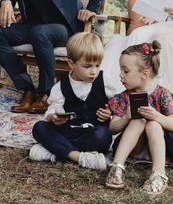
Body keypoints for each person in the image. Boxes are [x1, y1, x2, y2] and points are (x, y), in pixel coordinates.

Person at [105, 41, 173, 195]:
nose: (120, 75)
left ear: (145, 74)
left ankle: (158, 174)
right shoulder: (124, 97)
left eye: (126, 71)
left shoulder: (163, 94)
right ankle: (117, 167)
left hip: (160, 147)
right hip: (134, 148)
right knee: (138, 120)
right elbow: (112, 128)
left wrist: (156, 116)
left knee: (153, 124)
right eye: (120, 70)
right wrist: (126, 117)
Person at [29, 32, 118, 170]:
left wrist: (110, 112)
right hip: (69, 131)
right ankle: (79, 157)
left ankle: (55, 150)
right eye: (87, 66)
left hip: (92, 132)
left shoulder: (105, 80)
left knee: (104, 136)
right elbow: (53, 108)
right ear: (71, 63)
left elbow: (117, 104)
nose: (94, 71)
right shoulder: (61, 86)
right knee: (39, 127)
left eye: (97, 65)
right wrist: (54, 117)